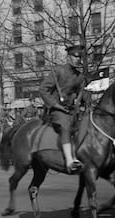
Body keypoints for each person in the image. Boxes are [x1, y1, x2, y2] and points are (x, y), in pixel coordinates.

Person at [39, 44, 86, 173]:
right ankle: (71, 160)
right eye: (75, 56)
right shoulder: (58, 71)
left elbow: (81, 92)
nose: (77, 59)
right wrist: (55, 104)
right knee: (66, 126)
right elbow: (43, 90)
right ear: (68, 57)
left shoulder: (80, 76)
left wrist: (80, 101)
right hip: (57, 110)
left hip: (73, 109)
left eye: (79, 57)